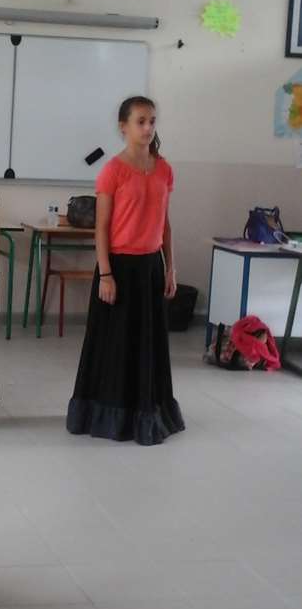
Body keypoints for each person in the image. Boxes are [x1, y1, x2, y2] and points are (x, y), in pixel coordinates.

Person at [66, 96, 185, 447]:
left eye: (152, 121)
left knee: (149, 343)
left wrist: (170, 267)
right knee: (116, 345)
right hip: (118, 267)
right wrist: (106, 274)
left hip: (150, 267)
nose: (147, 128)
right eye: (140, 121)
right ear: (124, 127)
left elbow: (165, 224)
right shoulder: (112, 171)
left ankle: (147, 410)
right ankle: (110, 413)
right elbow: (101, 228)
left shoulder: (164, 169)